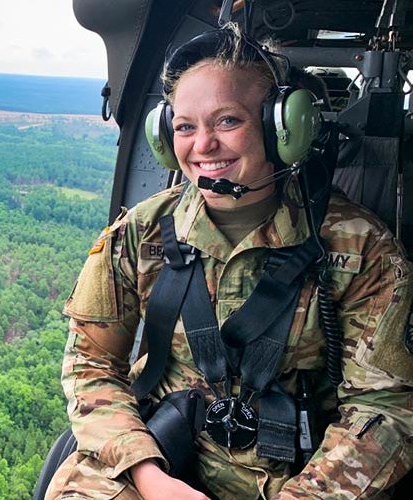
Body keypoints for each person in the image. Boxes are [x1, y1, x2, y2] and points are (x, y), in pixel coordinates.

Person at [44, 24, 413, 500]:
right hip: (161, 452)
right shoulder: (141, 231)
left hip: (308, 471)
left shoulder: (361, 249)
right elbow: (91, 363)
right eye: (184, 126)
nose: (202, 146)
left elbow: (383, 406)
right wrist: (147, 474)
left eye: (227, 121)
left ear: (283, 128)